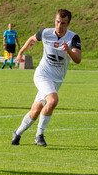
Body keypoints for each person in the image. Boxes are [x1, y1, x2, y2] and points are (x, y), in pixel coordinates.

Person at [11, 9, 81, 147]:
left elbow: (78, 59)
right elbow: (32, 39)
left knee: (36, 110)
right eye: (57, 22)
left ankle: (17, 133)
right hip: (42, 75)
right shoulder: (46, 33)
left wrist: (69, 52)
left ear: (68, 24)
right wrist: (20, 53)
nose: (59, 26)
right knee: (53, 100)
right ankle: (39, 135)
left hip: (57, 80)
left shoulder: (73, 38)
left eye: (63, 23)